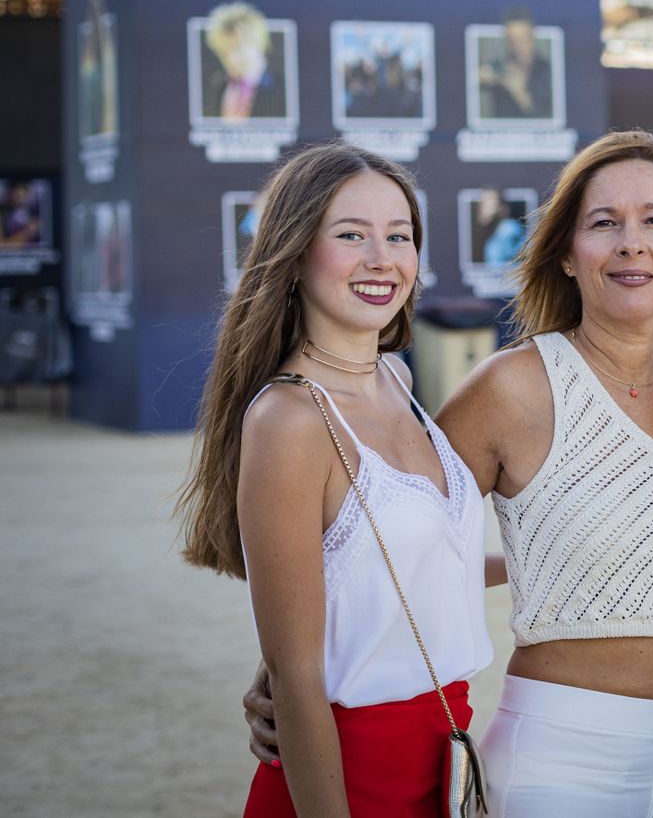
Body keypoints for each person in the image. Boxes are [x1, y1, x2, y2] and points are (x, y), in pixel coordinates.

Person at [241, 132, 653, 818]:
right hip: (559, 753)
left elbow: (415, 542)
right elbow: (378, 527)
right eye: (603, 223)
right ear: (566, 251)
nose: (631, 243)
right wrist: (283, 673)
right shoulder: (510, 388)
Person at [178, 141, 494, 816]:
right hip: (347, 778)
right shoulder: (288, 420)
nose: (382, 258)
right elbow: (295, 681)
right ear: (294, 254)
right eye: (351, 235)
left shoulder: (397, 380)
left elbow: (411, 567)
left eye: (399, 236)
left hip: (443, 753)